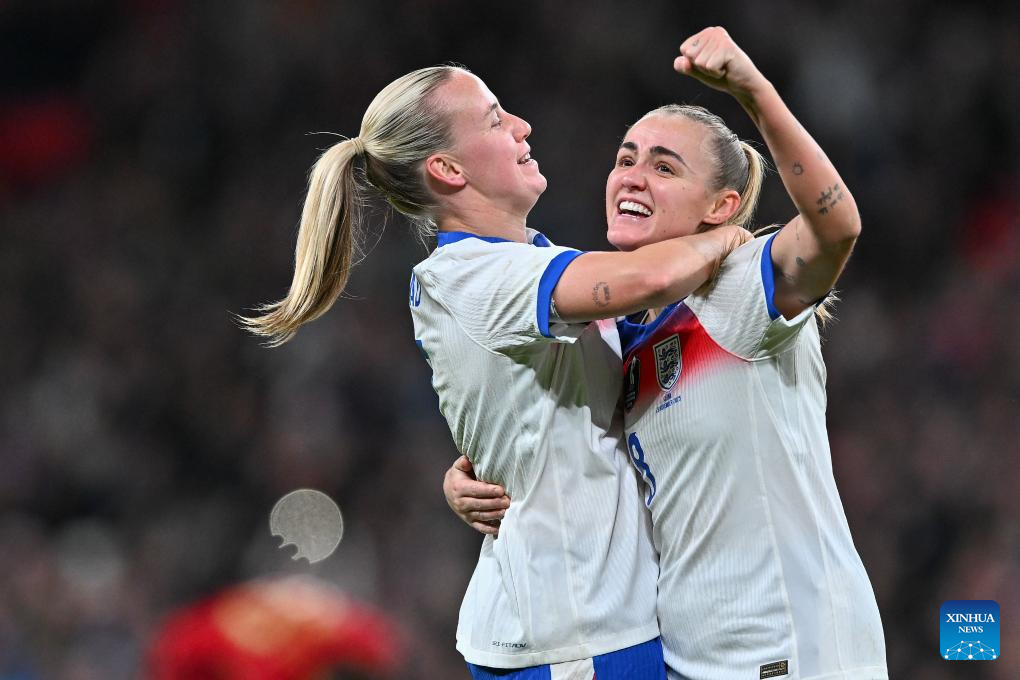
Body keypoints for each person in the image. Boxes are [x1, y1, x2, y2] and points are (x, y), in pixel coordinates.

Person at [241, 64, 751, 678]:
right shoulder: (476, 277)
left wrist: (483, 466)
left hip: (587, 621)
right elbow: (652, 276)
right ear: (448, 169)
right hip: (573, 634)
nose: (521, 126)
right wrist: (731, 237)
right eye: (493, 119)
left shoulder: (526, 260)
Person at [445, 27, 888, 680]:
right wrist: (470, 477)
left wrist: (754, 92)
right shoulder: (619, 332)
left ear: (723, 207)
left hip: (788, 648)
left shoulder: (741, 290)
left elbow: (837, 225)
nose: (633, 176)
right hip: (684, 655)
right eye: (626, 158)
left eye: (664, 166)